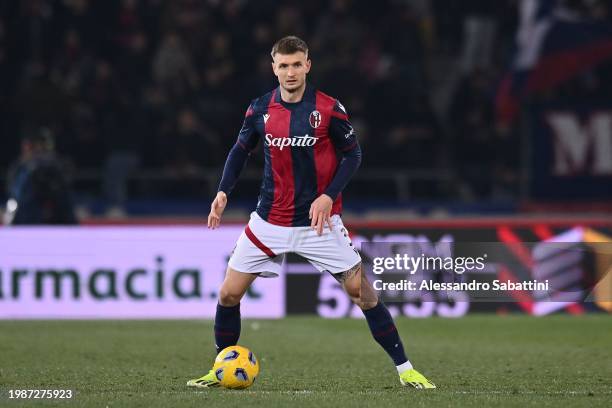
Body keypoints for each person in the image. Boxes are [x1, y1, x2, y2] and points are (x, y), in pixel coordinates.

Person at [187, 36, 435, 390]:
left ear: (308, 65)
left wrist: (328, 195)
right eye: (283, 65)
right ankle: (220, 367)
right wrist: (223, 190)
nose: (290, 72)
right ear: (274, 68)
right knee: (228, 294)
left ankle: (406, 368)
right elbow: (240, 150)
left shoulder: (329, 109)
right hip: (268, 221)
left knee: (362, 293)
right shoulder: (259, 109)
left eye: (296, 64)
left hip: (319, 224)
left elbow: (353, 155)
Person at [4, 128, 77, 225]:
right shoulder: (21, 167)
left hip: (58, 216)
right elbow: (14, 194)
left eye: (44, 146)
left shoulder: (57, 164)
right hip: (28, 216)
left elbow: (65, 189)